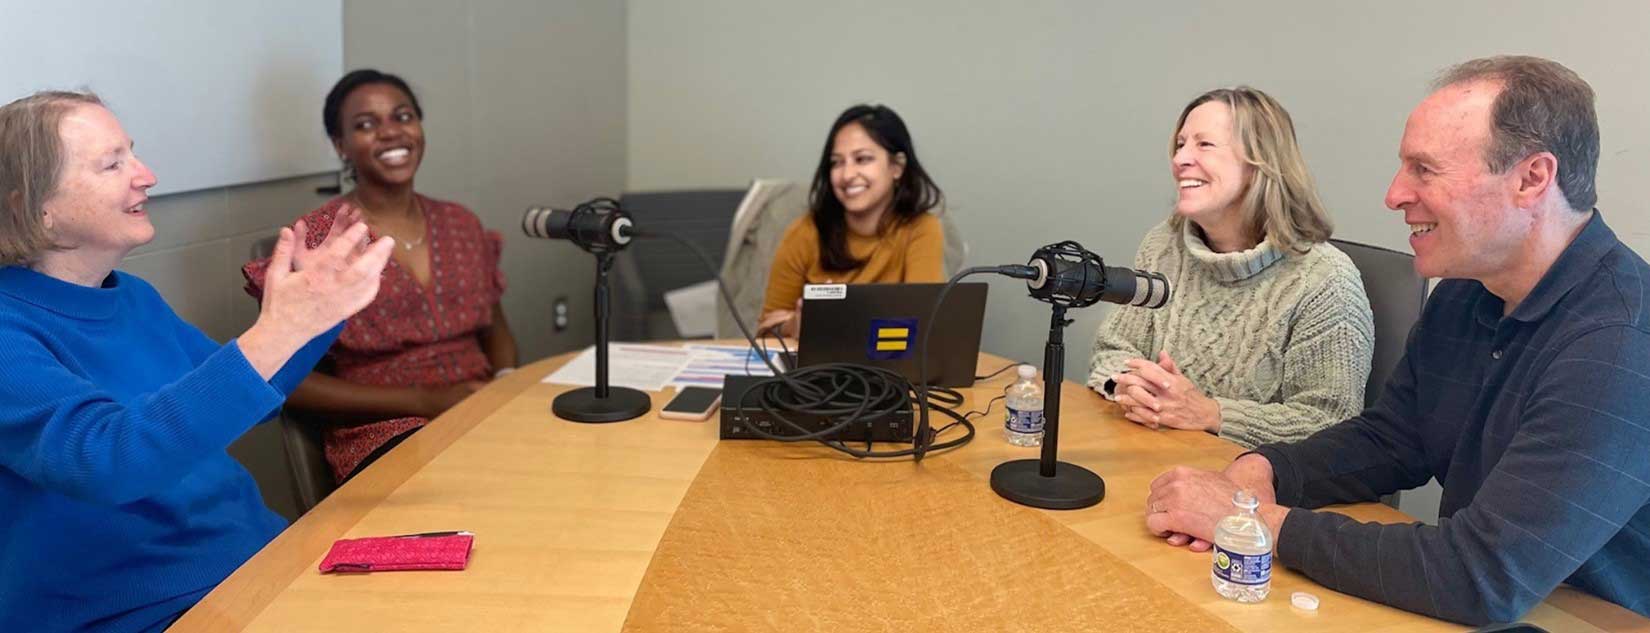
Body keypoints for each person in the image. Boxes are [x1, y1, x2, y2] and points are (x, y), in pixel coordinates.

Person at [1145, 56, 1650, 625]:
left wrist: (1257, 524)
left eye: (1424, 169)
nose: (1394, 194)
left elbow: (1481, 574)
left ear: (1531, 179)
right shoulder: (1468, 291)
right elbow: (1394, 439)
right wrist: (1267, 469)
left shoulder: (1621, 342)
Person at [0, 91, 395, 632]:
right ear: (34, 208)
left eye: (133, 154)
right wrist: (281, 328)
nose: (147, 176)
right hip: (143, 612)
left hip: (256, 564)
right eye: (112, 164)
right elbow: (108, 459)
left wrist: (323, 307)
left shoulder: (131, 296)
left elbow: (253, 396)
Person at [243, 69, 517, 483]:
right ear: (341, 145)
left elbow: (496, 328)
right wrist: (426, 401)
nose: (390, 132)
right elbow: (287, 380)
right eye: (366, 124)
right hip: (387, 432)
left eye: (403, 117)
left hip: (483, 413)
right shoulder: (319, 241)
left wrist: (505, 384)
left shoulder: (460, 222)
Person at [1088, 87, 1373, 448]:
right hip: (1151, 454)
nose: (1180, 159)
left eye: (1204, 144)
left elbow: (1330, 423)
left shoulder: (1327, 281)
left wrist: (1211, 414)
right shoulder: (1163, 247)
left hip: (1251, 479)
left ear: (1259, 164)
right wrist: (1129, 385)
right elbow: (1113, 347)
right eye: (1180, 145)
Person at [758, 104, 946, 338]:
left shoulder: (921, 229)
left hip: (891, 359)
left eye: (862, 159)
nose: (847, 175)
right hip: (817, 361)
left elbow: (922, 325)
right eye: (836, 162)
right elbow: (766, 331)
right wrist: (794, 324)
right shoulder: (805, 232)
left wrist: (843, 322)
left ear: (897, 167)